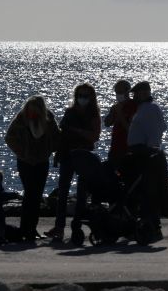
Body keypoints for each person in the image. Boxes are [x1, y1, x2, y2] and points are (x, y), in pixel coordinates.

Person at [45, 83, 101, 242]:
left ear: (91, 98)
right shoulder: (69, 112)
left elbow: (94, 136)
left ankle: (76, 227)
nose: (82, 99)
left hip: (83, 155)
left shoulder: (93, 115)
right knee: (62, 191)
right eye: (80, 95)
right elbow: (63, 134)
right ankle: (59, 227)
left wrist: (76, 131)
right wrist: (57, 153)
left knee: (82, 193)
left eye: (86, 96)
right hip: (67, 154)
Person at [5, 95, 60, 242]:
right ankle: (25, 228)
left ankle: (31, 228)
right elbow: (9, 137)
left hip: (42, 162)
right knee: (29, 194)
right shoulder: (21, 119)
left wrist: (49, 149)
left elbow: (57, 138)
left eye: (35, 109)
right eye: (30, 108)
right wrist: (23, 152)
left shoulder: (48, 120)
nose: (32, 112)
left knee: (37, 196)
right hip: (25, 162)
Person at [126, 81, 168, 242]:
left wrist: (149, 151)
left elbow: (155, 133)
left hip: (145, 154)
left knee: (148, 191)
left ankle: (152, 226)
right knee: (144, 190)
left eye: (136, 94)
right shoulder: (146, 109)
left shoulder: (150, 109)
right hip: (142, 153)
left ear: (143, 93)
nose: (134, 97)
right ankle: (149, 224)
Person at [104, 79, 137, 162]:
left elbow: (131, 130)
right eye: (116, 92)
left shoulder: (133, 106)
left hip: (128, 149)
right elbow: (107, 123)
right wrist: (113, 112)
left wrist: (120, 114)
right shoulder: (116, 107)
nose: (118, 95)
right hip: (115, 148)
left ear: (127, 91)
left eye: (120, 92)